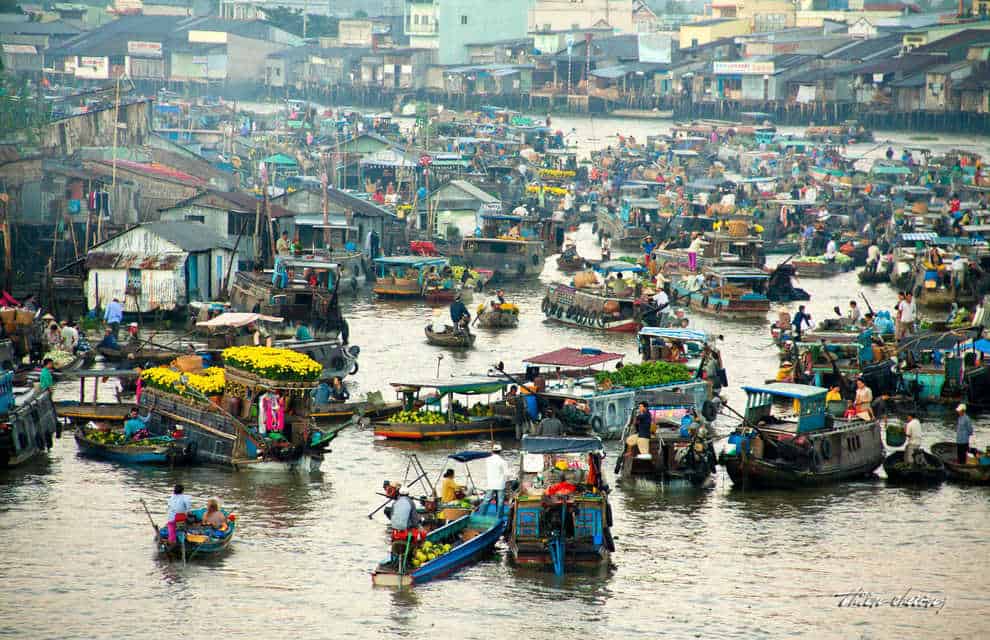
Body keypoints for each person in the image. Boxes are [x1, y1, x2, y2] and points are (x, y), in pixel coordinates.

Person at [483, 443, 510, 516]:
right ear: (500, 451)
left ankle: (482, 515)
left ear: (492, 451)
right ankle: (499, 516)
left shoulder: (488, 460)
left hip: (490, 484)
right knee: (500, 502)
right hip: (500, 484)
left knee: (486, 500)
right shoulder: (503, 461)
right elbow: (507, 474)